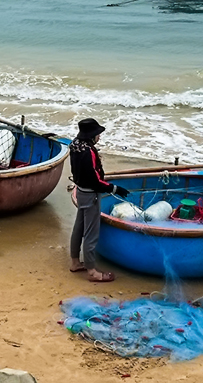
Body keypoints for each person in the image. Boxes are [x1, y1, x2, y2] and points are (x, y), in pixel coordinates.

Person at [68, 118, 129, 282]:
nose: (99, 137)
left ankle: (75, 262)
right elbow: (95, 181)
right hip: (91, 195)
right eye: (97, 134)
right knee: (91, 233)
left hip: (81, 191)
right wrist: (114, 188)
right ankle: (92, 271)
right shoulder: (89, 152)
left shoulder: (75, 145)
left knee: (79, 227)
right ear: (91, 135)